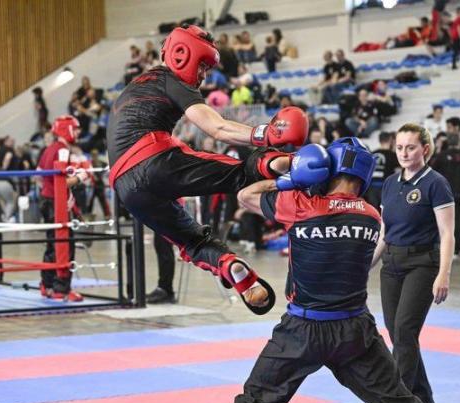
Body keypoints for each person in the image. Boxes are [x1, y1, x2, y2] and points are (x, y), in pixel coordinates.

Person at [231, 138, 449, 403]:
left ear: (327, 168)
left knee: (254, 402)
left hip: (301, 332)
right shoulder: (372, 216)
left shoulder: (300, 205)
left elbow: (245, 195)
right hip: (354, 333)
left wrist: (293, 177)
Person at [107, 25, 309, 313]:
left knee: (191, 241)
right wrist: (267, 135)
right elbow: (217, 127)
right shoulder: (169, 79)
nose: (203, 74)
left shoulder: (138, 83)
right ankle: (275, 161)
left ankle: (237, 273)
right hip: (152, 158)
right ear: (181, 54)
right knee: (237, 173)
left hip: (125, 188)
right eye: (202, 64)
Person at [364, 123, 455, 403]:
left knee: (404, 331)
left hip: (422, 263)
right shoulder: (389, 184)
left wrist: (444, 274)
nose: (404, 153)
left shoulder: (436, 183)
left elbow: (447, 234)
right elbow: (385, 233)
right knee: (400, 334)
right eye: (400, 147)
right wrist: (367, 265)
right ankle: (422, 396)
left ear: (425, 150)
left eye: (411, 147)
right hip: (391, 264)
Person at [37, 115, 89, 302]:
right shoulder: (62, 151)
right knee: (64, 246)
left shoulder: (48, 149)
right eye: (75, 129)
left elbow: (39, 175)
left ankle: (47, 285)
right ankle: (61, 289)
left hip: (47, 200)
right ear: (66, 130)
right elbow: (61, 182)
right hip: (56, 203)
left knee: (52, 244)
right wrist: (81, 177)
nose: (77, 133)